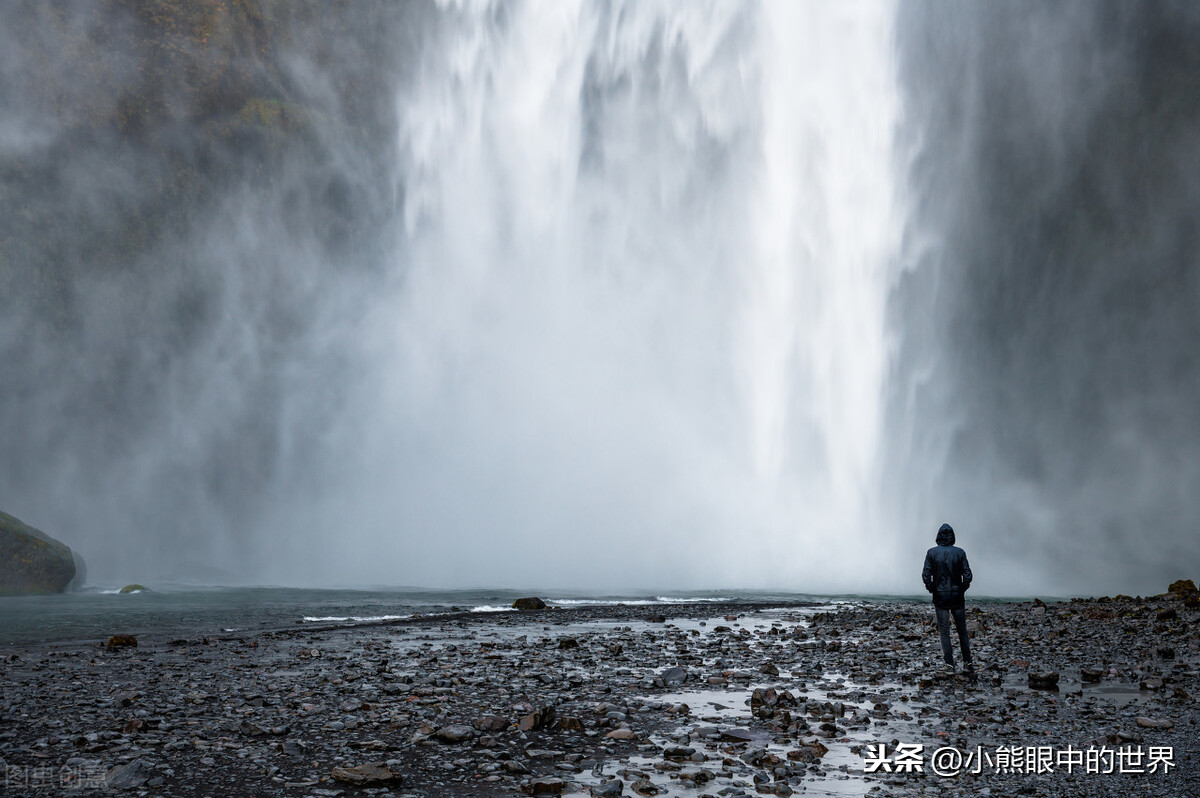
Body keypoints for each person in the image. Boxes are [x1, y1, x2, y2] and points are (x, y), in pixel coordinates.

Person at [922, 522, 974, 674]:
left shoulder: (931, 553)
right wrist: (963, 587)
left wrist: (932, 588)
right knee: (962, 631)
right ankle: (967, 663)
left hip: (940, 597)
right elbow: (968, 574)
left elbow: (926, 574)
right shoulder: (960, 552)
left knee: (944, 631)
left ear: (938, 536)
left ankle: (949, 664)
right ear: (953, 537)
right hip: (957, 596)